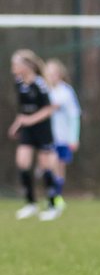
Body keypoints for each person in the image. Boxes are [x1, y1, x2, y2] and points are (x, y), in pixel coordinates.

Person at [8, 50, 62, 220]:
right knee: (22, 162)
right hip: (27, 129)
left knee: (45, 166)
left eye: (16, 65)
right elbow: (23, 109)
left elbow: (49, 109)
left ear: (27, 66)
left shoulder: (40, 84)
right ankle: (30, 203)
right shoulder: (19, 83)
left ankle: (53, 205)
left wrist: (30, 120)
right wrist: (17, 124)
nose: (13, 68)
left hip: (42, 129)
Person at [44, 59, 81, 201]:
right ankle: (53, 196)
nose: (51, 76)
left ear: (59, 74)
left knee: (58, 166)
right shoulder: (44, 90)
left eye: (53, 73)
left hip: (62, 137)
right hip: (46, 136)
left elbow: (74, 115)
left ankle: (56, 197)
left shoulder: (66, 92)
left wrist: (74, 138)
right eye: (48, 73)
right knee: (49, 164)